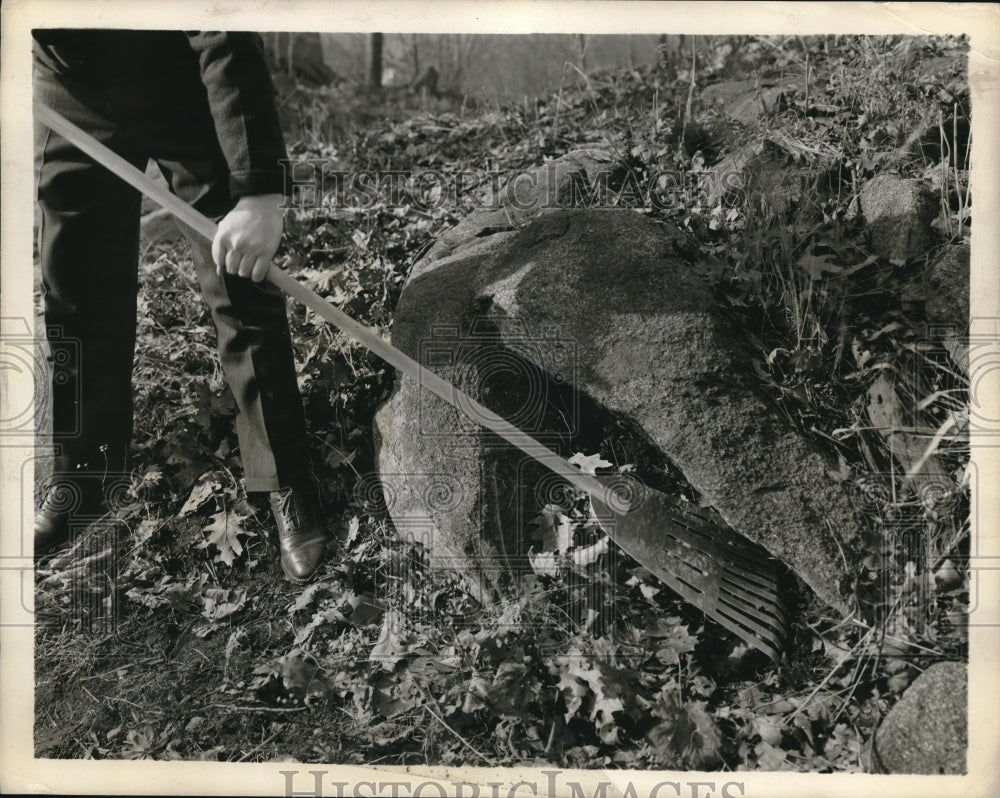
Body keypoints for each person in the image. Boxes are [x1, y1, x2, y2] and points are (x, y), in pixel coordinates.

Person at [32, 29, 334, 582]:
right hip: (67, 82)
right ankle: (87, 473)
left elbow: (221, 24)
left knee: (238, 278)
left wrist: (257, 190)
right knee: (74, 286)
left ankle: (284, 476)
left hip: (174, 67)